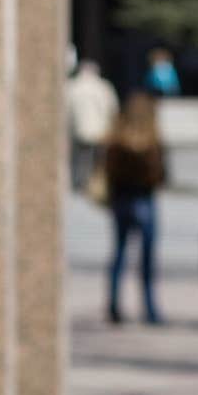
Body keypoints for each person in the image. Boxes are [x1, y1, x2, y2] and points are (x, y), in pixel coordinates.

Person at [103, 90, 168, 324]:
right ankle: (150, 309)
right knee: (147, 258)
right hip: (144, 198)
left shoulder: (116, 138)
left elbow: (108, 170)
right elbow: (161, 174)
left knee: (119, 253)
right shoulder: (152, 140)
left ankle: (113, 305)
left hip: (121, 198)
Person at [66, 58, 119, 191]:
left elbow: (67, 110)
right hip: (100, 130)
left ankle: (79, 183)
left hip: (79, 130)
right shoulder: (103, 87)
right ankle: (94, 184)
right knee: (98, 160)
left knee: (80, 159)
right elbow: (112, 108)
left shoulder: (72, 87)